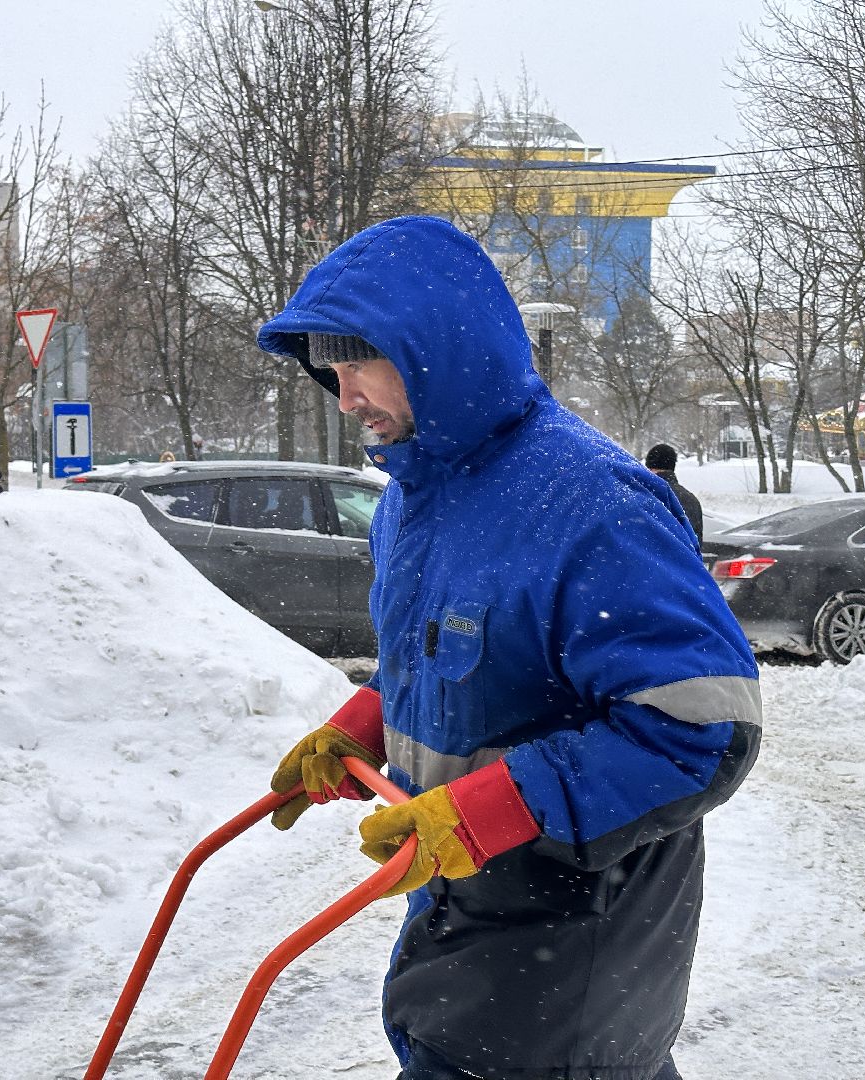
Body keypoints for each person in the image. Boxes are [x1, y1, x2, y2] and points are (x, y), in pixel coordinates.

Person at [258, 216, 761, 1080]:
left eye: (357, 365)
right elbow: (453, 661)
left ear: (431, 352)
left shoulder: (595, 504)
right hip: (470, 918)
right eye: (329, 373)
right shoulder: (413, 501)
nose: (344, 400)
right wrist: (362, 727)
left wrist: (493, 810)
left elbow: (702, 726)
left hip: (574, 943)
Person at [645, 442, 705, 542]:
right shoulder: (691, 499)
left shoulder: (648, 496)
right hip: (686, 557)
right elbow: (696, 541)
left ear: (650, 468)